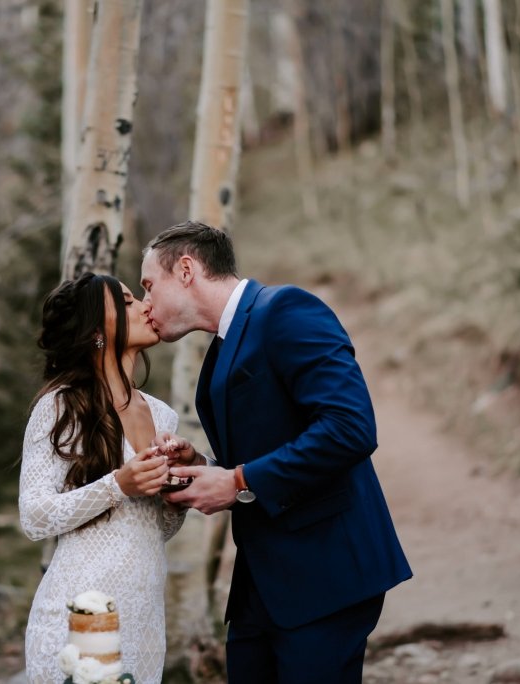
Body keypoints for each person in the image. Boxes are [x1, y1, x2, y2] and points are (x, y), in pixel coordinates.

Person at [139, 221, 412, 684]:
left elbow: (350, 428)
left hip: (326, 574)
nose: (145, 303)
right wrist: (204, 468)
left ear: (186, 270)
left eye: (149, 286)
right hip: (263, 583)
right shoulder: (223, 344)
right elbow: (267, 446)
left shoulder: (287, 310)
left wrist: (238, 481)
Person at [18, 272, 197, 683]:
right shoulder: (61, 406)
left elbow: (157, 529)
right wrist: (118, 485)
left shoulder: (163, 415)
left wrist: (176, 491)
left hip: (144, 622)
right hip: (79, 617)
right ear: (97, 331)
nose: (145, 306)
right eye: (128, 301)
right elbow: (35, 516)